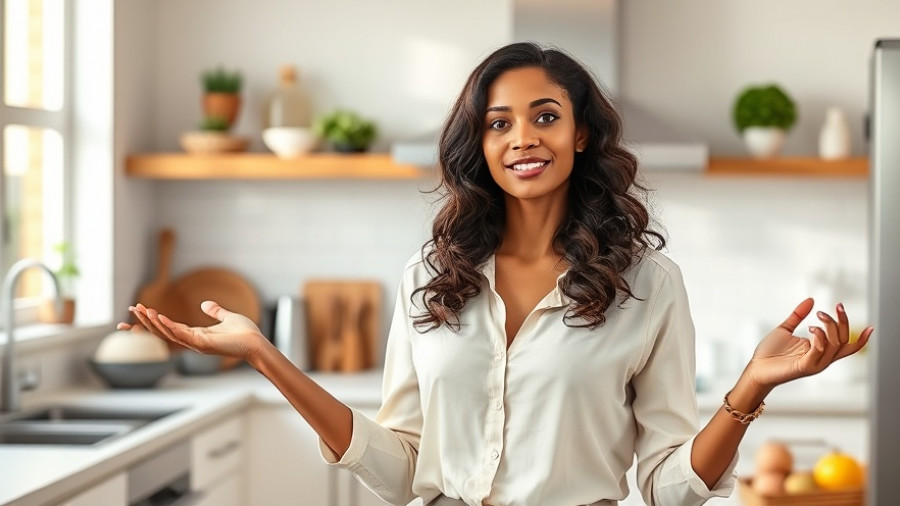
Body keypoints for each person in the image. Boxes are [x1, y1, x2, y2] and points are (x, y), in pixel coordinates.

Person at [120, 42, 873, 506]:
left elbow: (669, 489)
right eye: (498, 122)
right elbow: (398, 468)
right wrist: (264, 356)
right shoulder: (431, 271)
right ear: (478, 142)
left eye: (545, 116)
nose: (522, 138)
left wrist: (746, 393)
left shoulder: (650, 284)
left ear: (581, 134)